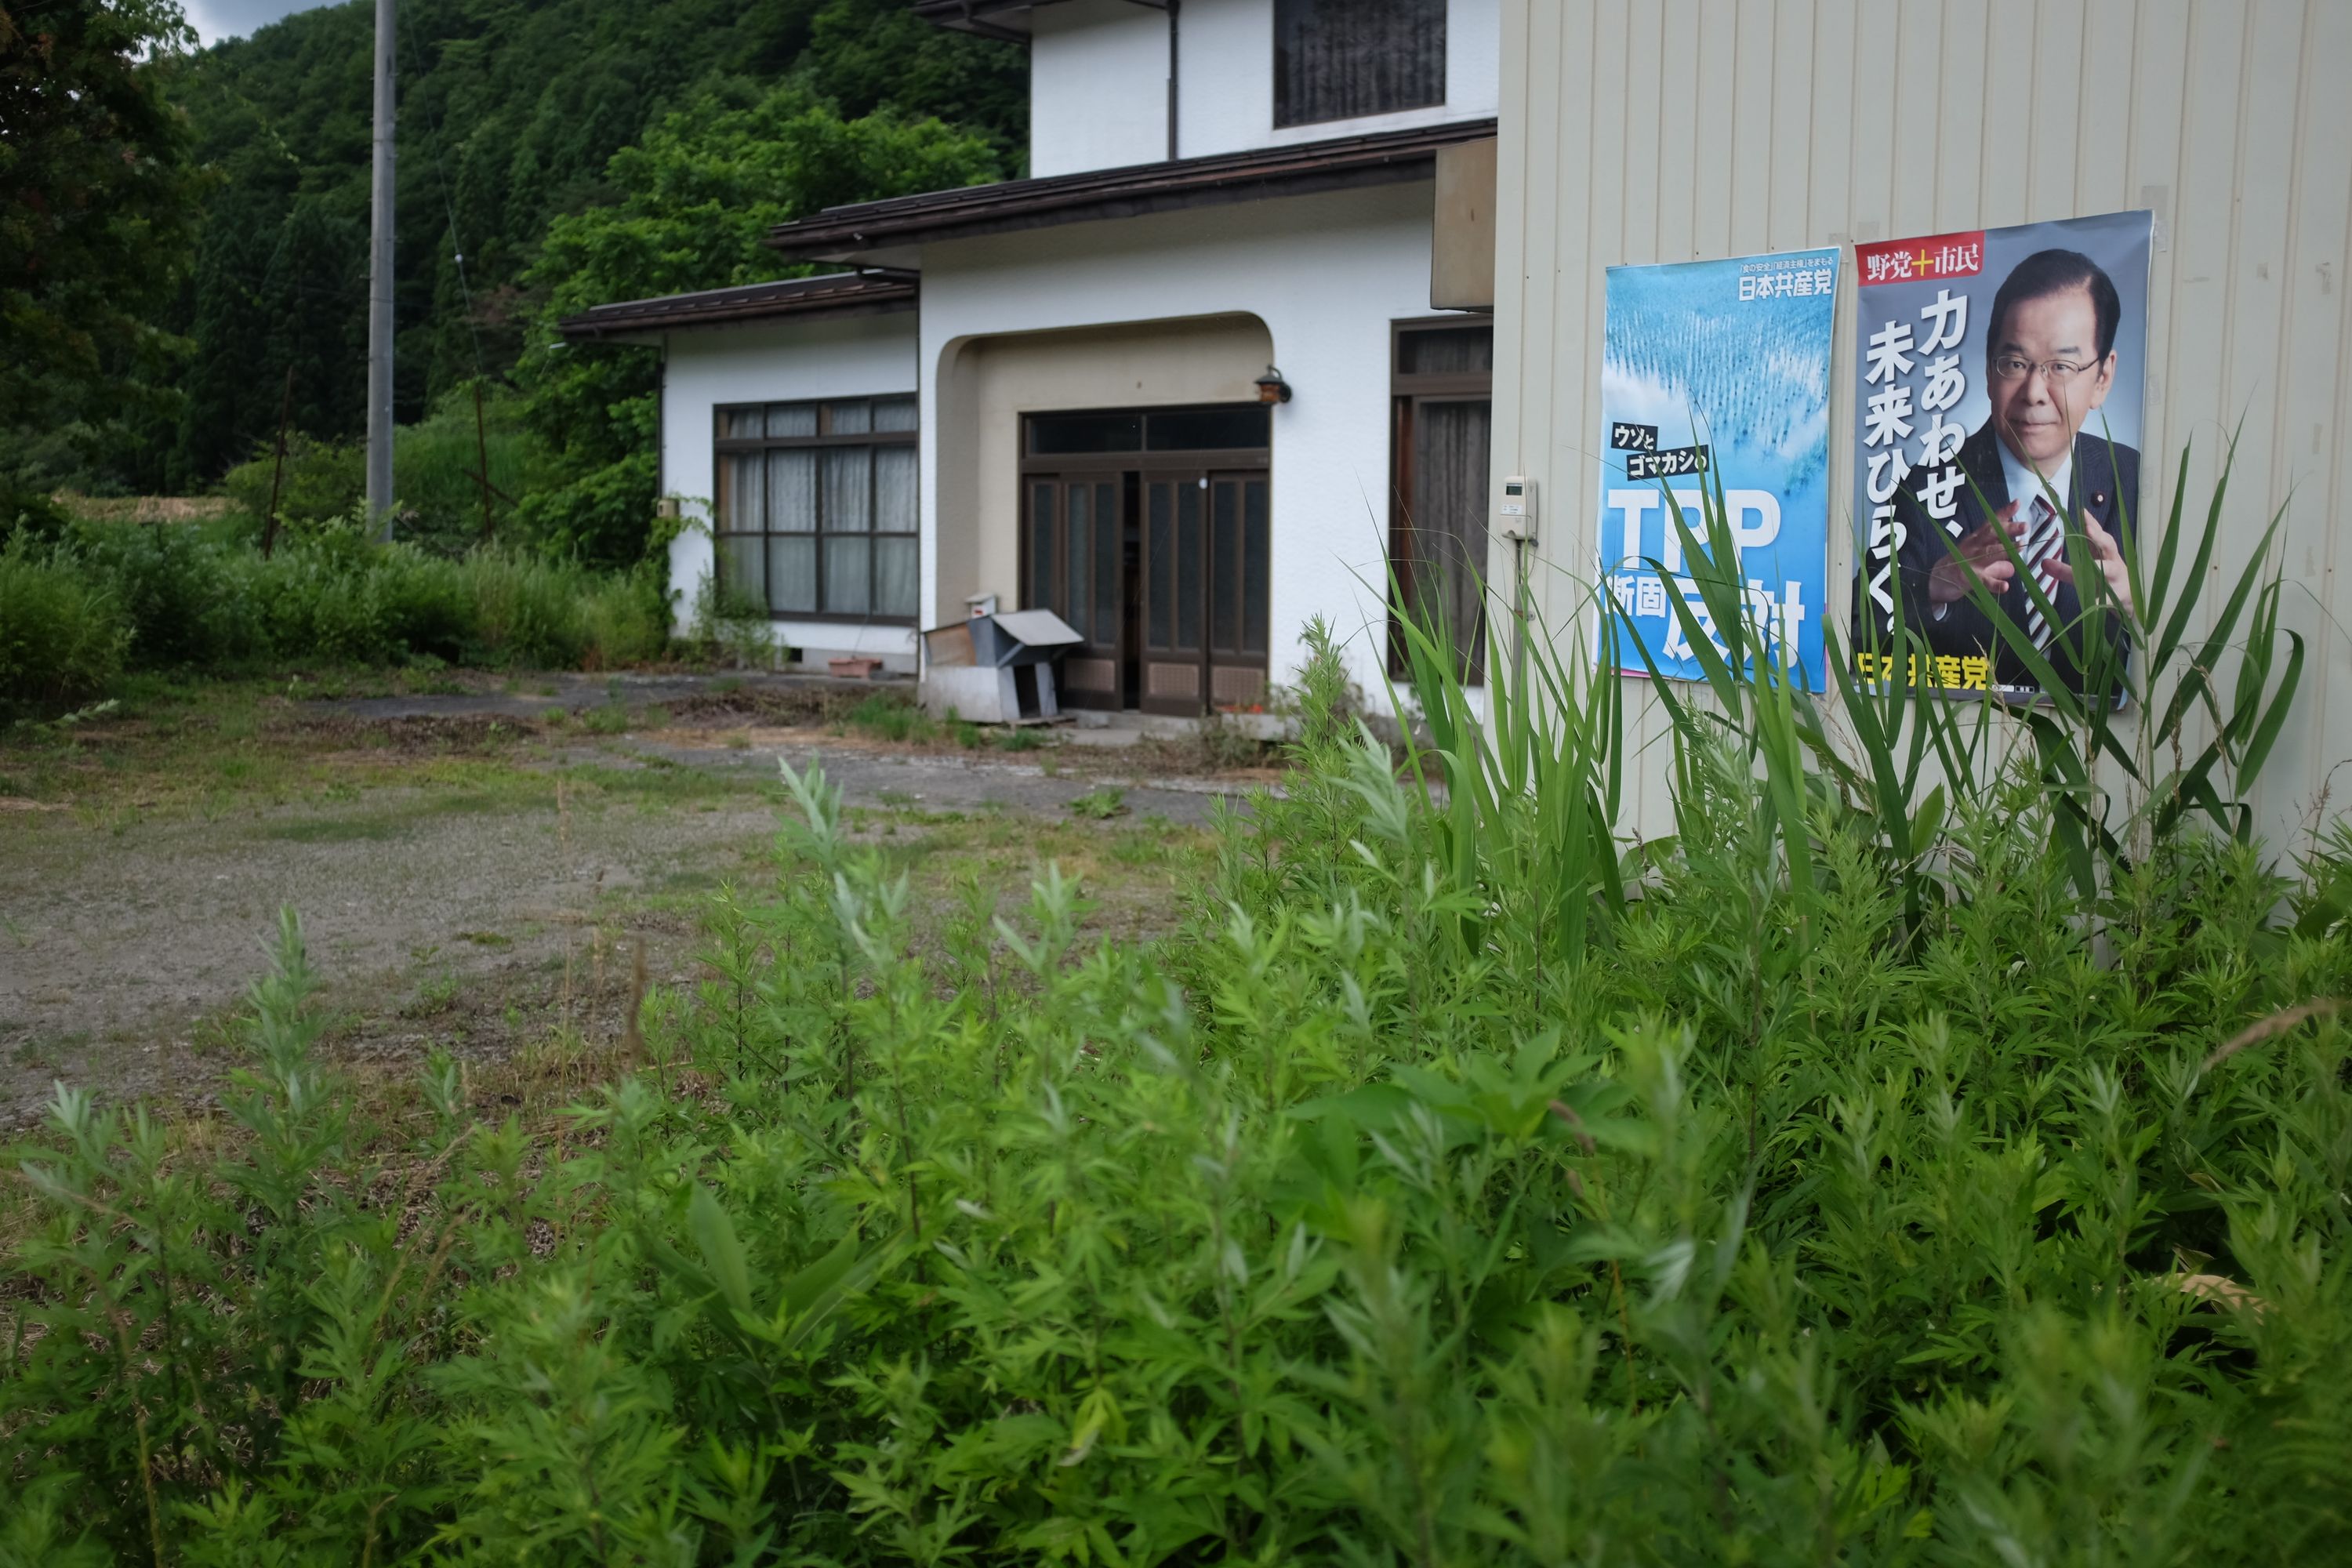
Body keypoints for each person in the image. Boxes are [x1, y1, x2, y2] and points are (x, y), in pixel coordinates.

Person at [1888, 248, 2140, 692]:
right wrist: (1932, 586)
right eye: (2015, 364)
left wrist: (2137, 608)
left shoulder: (2134, 481)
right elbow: (1855, 628)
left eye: (2061, 366)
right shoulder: (1923, 492)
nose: (2034, 392)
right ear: (1989, 370)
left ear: (2102, 378)